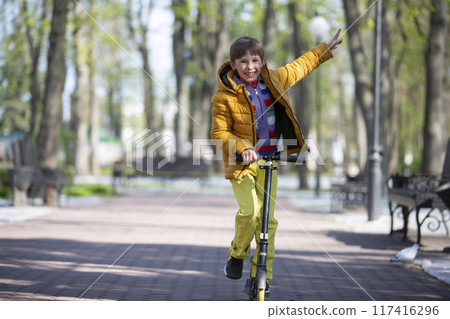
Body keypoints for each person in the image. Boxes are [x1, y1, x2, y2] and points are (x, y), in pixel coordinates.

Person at [210, 30, 342, 293]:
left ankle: (263, 276)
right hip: (242, 165)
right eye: (244, 62)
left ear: (262, 61)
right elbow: (219, 133)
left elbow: (300, 66)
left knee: (268, 223)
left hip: (269, 161)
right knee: (251, 212)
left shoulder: (274, 80)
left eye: (255, 60)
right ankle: (237, 255)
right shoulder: (223, 97)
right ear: (233, 64)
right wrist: (242, 146)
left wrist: (323, 49)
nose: (250, 67)